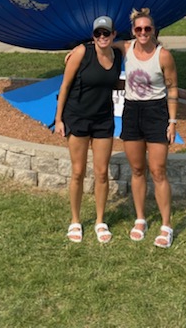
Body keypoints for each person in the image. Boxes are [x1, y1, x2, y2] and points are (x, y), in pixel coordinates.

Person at [55, 15, 123, 244]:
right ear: (93, 36)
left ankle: (100, 221)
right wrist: (59, 119)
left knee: (102, 172)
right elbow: (64, 86)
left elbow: (113, 81)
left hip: (103, 119)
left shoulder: (118, 55)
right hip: (78, 117)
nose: (102, 37)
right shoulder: (82, 53)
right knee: (78, 172)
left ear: (114, 35)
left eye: (106, 33)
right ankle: (75, 220)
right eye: (98, 33)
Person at [116, 8, 178, 249]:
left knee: (158, 170)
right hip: (132, 111)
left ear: (154, 31)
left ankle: (166, 225)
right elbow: (99, 45)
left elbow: (172, 88)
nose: (143, 32)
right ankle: (140, 219)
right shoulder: (125, 48)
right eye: (138, 29)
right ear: (133, 31)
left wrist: (172, 122)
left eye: (147, 29)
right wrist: (75, 54)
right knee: (137, 169)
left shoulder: (164, 56)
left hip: (156, 112)